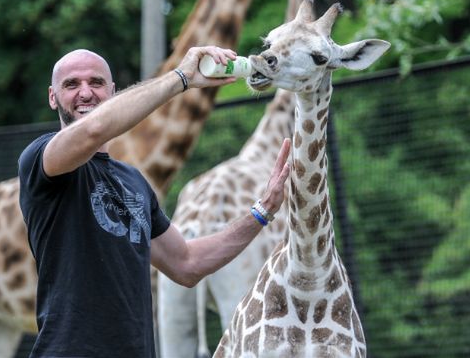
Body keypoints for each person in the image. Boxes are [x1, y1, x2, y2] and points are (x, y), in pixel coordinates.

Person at [18, 45, 291, 358]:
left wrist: (262, 211)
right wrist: (181, 78)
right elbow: (93, 130)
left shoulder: (133, 182)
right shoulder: (41, 160)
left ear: (112, 91)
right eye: (71, 84)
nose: (85, 93)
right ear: (53, 97)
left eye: (96, 83)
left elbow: (187, 264)